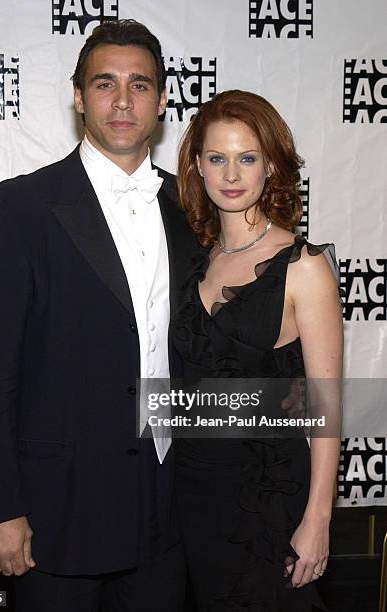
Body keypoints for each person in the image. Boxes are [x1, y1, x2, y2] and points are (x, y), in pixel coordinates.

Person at [0, 19, 198, 612]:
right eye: (104, 84)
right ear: (78, 95)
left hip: (171, 508)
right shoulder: (16, 209)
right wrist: (0, 509)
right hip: (55, 515)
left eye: (140, 85)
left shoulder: (193, 208)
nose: (121, 100)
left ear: (163, 101)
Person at [173, 90, 343, 611]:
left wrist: (317, 518)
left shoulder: (304, 265)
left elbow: (325, 406)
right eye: (217, 158)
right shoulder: (196, 260)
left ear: (270, 165)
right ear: (198, 167)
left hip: (269, 500)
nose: (231, 173)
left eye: (246, 157)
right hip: (193, 496)